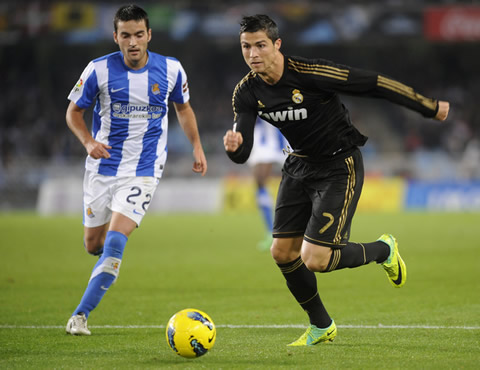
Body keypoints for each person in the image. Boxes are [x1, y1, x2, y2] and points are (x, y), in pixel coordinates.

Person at [223, 14, 449, 346]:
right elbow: (243, 152)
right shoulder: (246, 92)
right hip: (298, 165)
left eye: (260, 45)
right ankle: (321, 325)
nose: (253, 54)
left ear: (277, 45)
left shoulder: (311, 73)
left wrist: (427, 107)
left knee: (316, 259)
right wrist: (234, 149)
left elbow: (372, 82)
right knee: (282, 253)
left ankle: (383, 249)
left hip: (338, 165)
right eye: (246, 46)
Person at [65, 4, 207, 336]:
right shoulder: (98, 70)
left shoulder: (171, 70)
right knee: (92, 244)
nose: (133, 42)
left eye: (139, 34)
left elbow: (183, 108)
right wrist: (88, 142)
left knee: (116, 242)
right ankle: (103, 264)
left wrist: (197, 145)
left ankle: (80, 316)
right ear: (115, 37)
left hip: (144, 169)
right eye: (125, 35)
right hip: (102, 168)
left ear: (149, 35)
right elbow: (73, 113)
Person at [248, 116, 288, 251]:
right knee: (260, 182)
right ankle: (270, 232)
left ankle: (300, 230)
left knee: (299, 178)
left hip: (280, 132)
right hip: (261, 135)